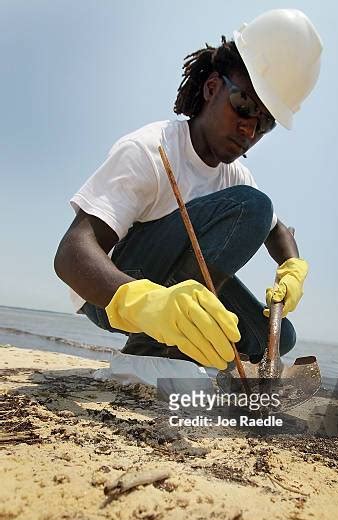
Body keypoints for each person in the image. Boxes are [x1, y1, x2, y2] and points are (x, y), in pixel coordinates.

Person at [54, 9, 323, 373]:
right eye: (245, 105)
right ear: (212, 88)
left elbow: (278, 231)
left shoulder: (236, 175)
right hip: (112, 292)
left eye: (265, 122)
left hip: (174, 290)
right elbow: (72, 253)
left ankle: (179, 338)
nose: (250, 129)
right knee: (253, 207)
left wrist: (292, 267)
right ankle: (152, 345)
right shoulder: (150, 148)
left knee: (275, 335)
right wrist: (147, 303)